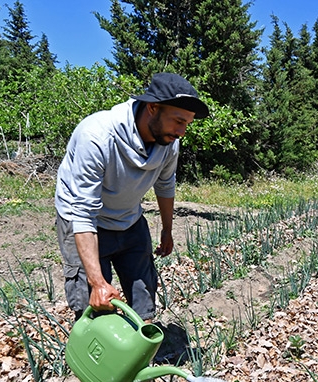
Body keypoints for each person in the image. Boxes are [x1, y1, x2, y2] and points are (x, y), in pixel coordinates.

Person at [54, 72, 208, 323]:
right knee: (95, 304)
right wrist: (97, 282)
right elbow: (82, 212)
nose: (182, 132)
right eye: (178, 121)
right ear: (153, 107)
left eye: (187, 124)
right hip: (84, 221)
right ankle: (96, 355)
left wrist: (167, 230)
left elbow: (165, 184)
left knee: (144, 295)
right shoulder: (97, 136)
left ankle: (138, 351)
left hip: (129, 217)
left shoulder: (169, 141)